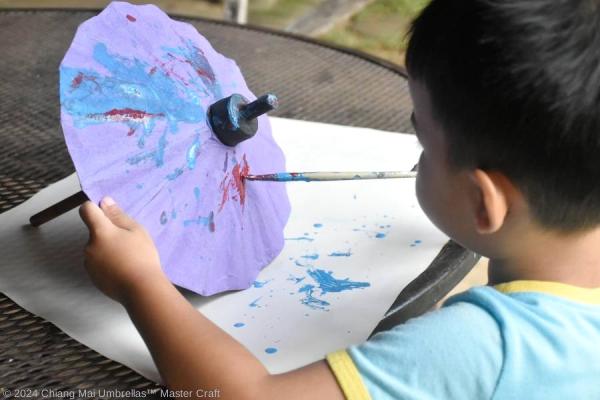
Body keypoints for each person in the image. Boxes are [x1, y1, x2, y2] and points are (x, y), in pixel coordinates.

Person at [78, 0, 600, 398]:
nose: (417, 154)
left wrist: (141, 281)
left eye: (422, 140)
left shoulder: (482, 347)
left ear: (484, 205)